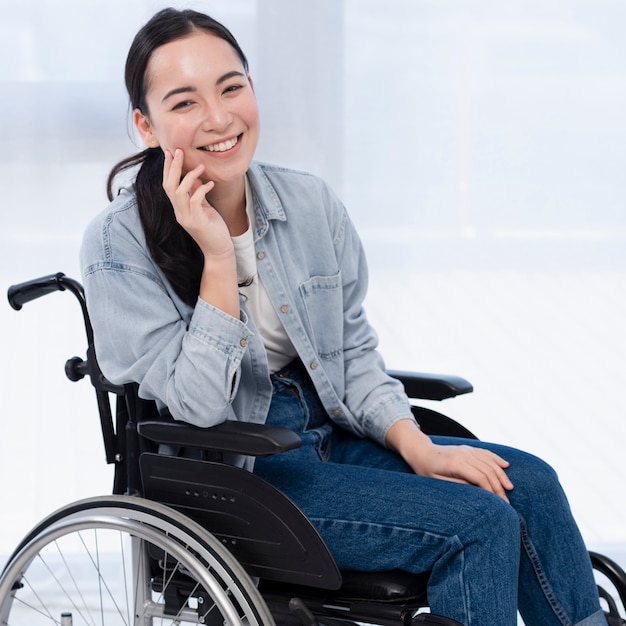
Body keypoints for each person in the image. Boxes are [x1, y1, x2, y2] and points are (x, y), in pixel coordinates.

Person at [80, 8, 608, 626]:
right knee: (478, 523)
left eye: (231, 87)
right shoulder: (118, 246)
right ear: (146, 125)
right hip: (236, 469)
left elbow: (351, 353)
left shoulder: (308, 204)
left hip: (329, 430)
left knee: (529, 487)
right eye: (185, 102)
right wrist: (218, 257)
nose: (220, 118)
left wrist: (418, 447)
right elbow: (197, 406)